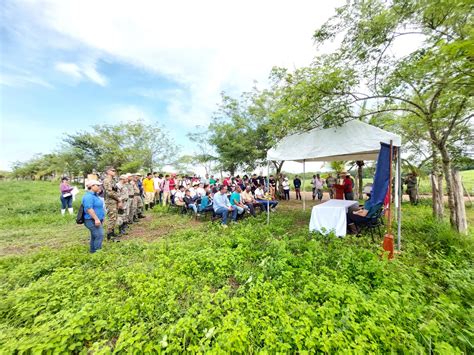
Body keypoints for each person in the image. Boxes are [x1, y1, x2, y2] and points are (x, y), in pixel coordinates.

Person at [82, 180, 105, 253]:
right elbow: (89, 209)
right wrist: (96, 219)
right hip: (91, 220)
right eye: (97, 185)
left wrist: (101, 217)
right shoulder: (88, 196)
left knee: (94, 236)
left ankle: (92, 251)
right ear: (91, 186)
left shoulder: (95, 195)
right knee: (99, 235)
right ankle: (97, 253)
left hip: (97, 219)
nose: (99, 187)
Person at [103, 167, 123, 241]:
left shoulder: (113, 180)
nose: (114, 172)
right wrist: (118, 199)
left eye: (115, 171)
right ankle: (109, 234)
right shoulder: (106, 180)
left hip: (115, 201)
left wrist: (118, 200)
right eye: (113, 170)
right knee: (112, 218)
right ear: (108, 171)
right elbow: (110, 193)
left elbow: (116, 191)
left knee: (115, 217)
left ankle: (112, 232)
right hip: (110, 202)